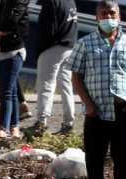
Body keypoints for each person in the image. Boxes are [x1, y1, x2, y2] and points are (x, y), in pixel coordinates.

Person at [71, 0, 126, 179]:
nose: (108, 17)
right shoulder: (85, 43)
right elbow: (76, 75)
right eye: (103, 14)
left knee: (123, 161)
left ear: (119, 16)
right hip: (96, 112)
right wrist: (88, 104)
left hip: (122, 111)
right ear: (97, 17)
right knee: (94, 161)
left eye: (112, 13)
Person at [0, 0, 29, 138]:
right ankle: (14, 127)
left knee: (6, 91)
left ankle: (4, 128)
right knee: (11, 91)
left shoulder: (20, 2)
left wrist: (0, 30)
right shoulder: (4, 2)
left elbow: (12, 21)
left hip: (14, 51)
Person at [31, 0, 78, 135]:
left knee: (46, 85)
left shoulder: (52, 2)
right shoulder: (70, 2)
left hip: (52, 47)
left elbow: (48, 29)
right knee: (66, 87)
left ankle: (41, 122)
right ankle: (68, 124)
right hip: (69, 46)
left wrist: (40, 49)